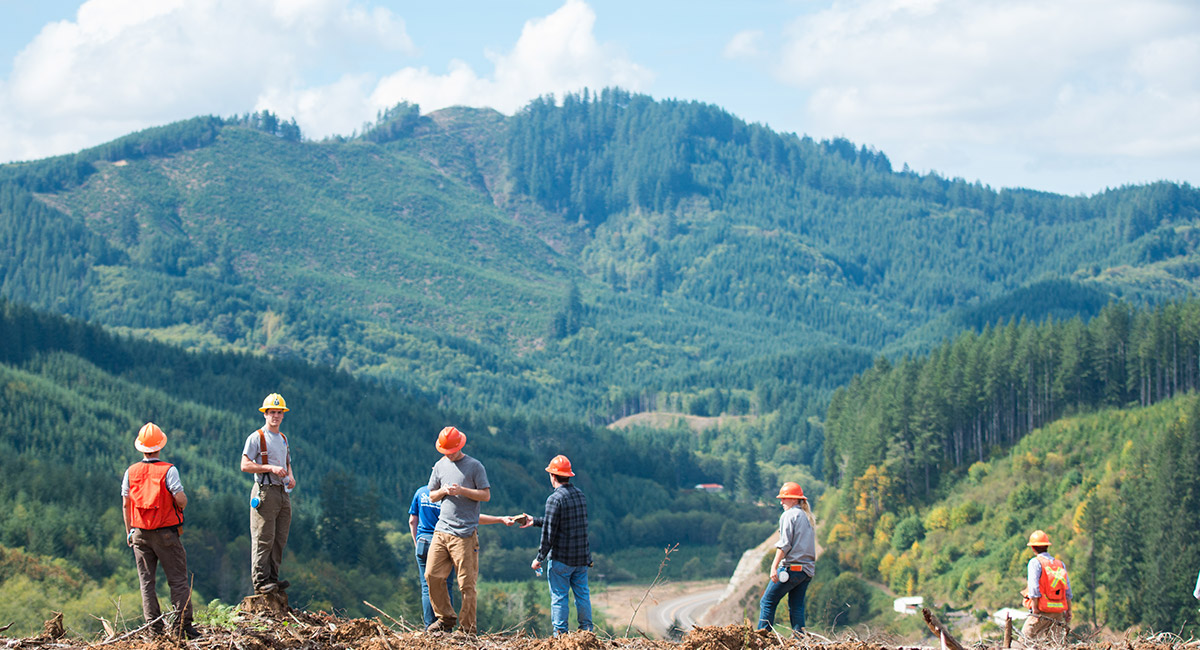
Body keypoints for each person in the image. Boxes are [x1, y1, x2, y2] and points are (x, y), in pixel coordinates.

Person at [122, 422, 201, 639]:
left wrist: (129, 532)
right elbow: (180, 498)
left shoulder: (131, 471)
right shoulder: (169, 470)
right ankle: (182, 627)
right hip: (166, 533)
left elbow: (126, 504)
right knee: (177, 580)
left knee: (147, 582)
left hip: (139, 533)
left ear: (141, 447)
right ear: (160, 446)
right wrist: (182, 505)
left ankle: (154, 630)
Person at [409, 485, 516, 628]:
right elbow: (472, 518)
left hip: (423, 543)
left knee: (426, 587)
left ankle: (429, 626)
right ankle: (444, 628)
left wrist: (416, 542)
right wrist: (500, 519)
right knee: (446, 586)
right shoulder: (450, 497)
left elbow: (412, 520)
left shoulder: (421, 492)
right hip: (444, 542)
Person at [425, 426, 491, 634]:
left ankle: (468, 629)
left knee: (466, 585)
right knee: (432, 575)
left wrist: (462, 490)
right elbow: (431, 495)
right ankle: (445, 618)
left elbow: (485, 495)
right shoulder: (439, 466)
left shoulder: (474, 466)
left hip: (464, 534)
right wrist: (444, 490)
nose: (448, 454)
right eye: (445, 451)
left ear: (460, 446)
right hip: (441, 530)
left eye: (451, 451)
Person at [519, 454, 593, 635]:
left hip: (561, 559)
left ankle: (560, 635)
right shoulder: (580, 495)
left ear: (553, 476)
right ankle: (587, 630)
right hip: (581, 558)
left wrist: (539, 558)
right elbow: (561, 523)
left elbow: (550, 533)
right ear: (569, 475)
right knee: (582, 595)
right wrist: (534, 521)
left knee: (559, 597)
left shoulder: (554, 499)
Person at [240, 392, 296, 595]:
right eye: (272, 412)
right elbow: (245, 465)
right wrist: (270, 468)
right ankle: (260, 581)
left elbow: (287, 461)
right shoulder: (256, 437)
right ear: (265, 414)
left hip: (282, 492)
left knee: (279, 537)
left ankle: (273, 578)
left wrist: (290, 476)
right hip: (265, 491)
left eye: (279, 412)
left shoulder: (282, 438)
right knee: (263, 536)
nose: (276, 416)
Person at [757, 481, 816, 637]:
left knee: (767, 602)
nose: (781, 501)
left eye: (785, 498)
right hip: (806, 572)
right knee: (796, 606)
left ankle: (760, 640)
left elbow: (784, 545)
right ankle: (799, 639)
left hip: (791, 569)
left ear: (795, 499)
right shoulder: (806, 516)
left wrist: (774, 567)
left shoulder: (789, 515)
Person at [1021, 530, 1072, 641]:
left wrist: (1035, 610)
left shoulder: (1035, 563)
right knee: (1055, 644)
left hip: (1041, 611)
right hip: (1058, 612)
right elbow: (1067, 590)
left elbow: (1034, 589)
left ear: (1033, 548)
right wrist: (1069, 611)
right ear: (1047, 546)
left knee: (1024, 641)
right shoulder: (1060, 564)